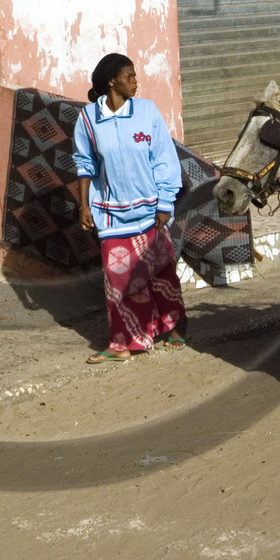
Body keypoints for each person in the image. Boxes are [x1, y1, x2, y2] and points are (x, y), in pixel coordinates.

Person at [71, 52, 186, 364]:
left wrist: (165, 203)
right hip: (111, 214)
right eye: (130, 76)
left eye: (136, 76)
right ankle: (123, 342)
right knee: (118, 279)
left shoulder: (147, 112)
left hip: (151, 212)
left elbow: (164, 158)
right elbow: (85, 165)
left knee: (161, 273)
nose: (136, 82)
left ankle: (174, 325)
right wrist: (84, 206)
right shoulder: (88, 119)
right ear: (112, 80)